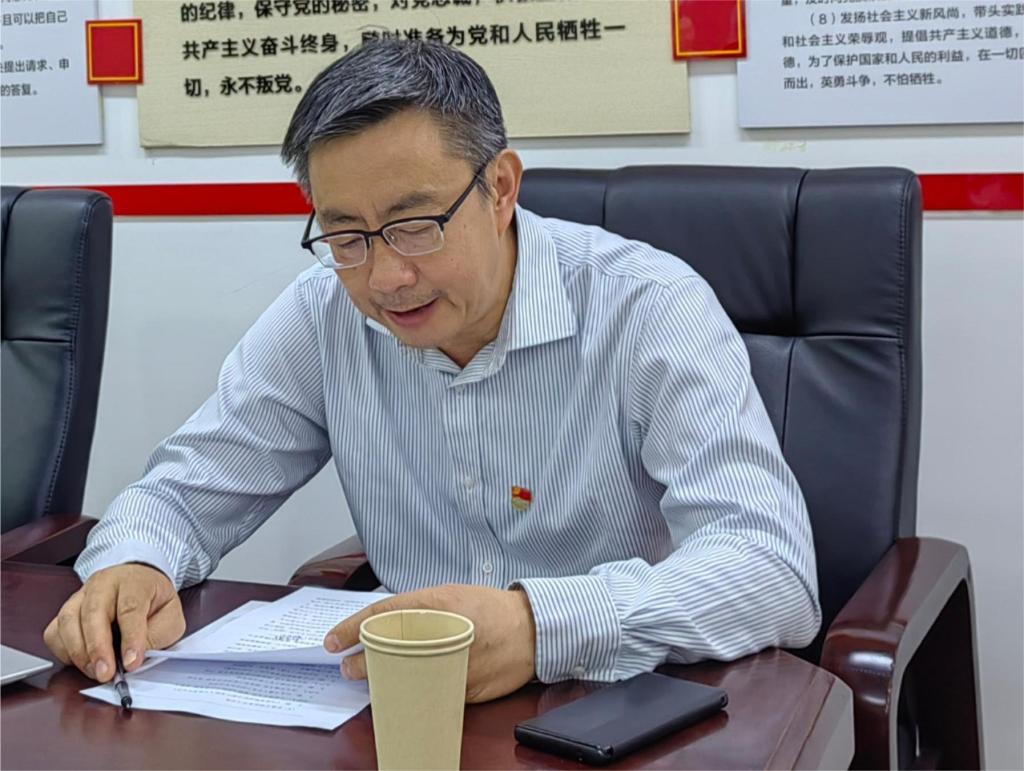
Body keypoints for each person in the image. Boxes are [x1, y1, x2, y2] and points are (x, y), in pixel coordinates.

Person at [44, 40, 820, 704]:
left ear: (501, 187)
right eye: (347, 235)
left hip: (622, 705)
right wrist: (133, 563)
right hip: (407, 709)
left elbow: (771, 568)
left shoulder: (648, 307)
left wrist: (538, 625)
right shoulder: (325, 310)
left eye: (415, 226)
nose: (386, 278)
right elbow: (185, 489)